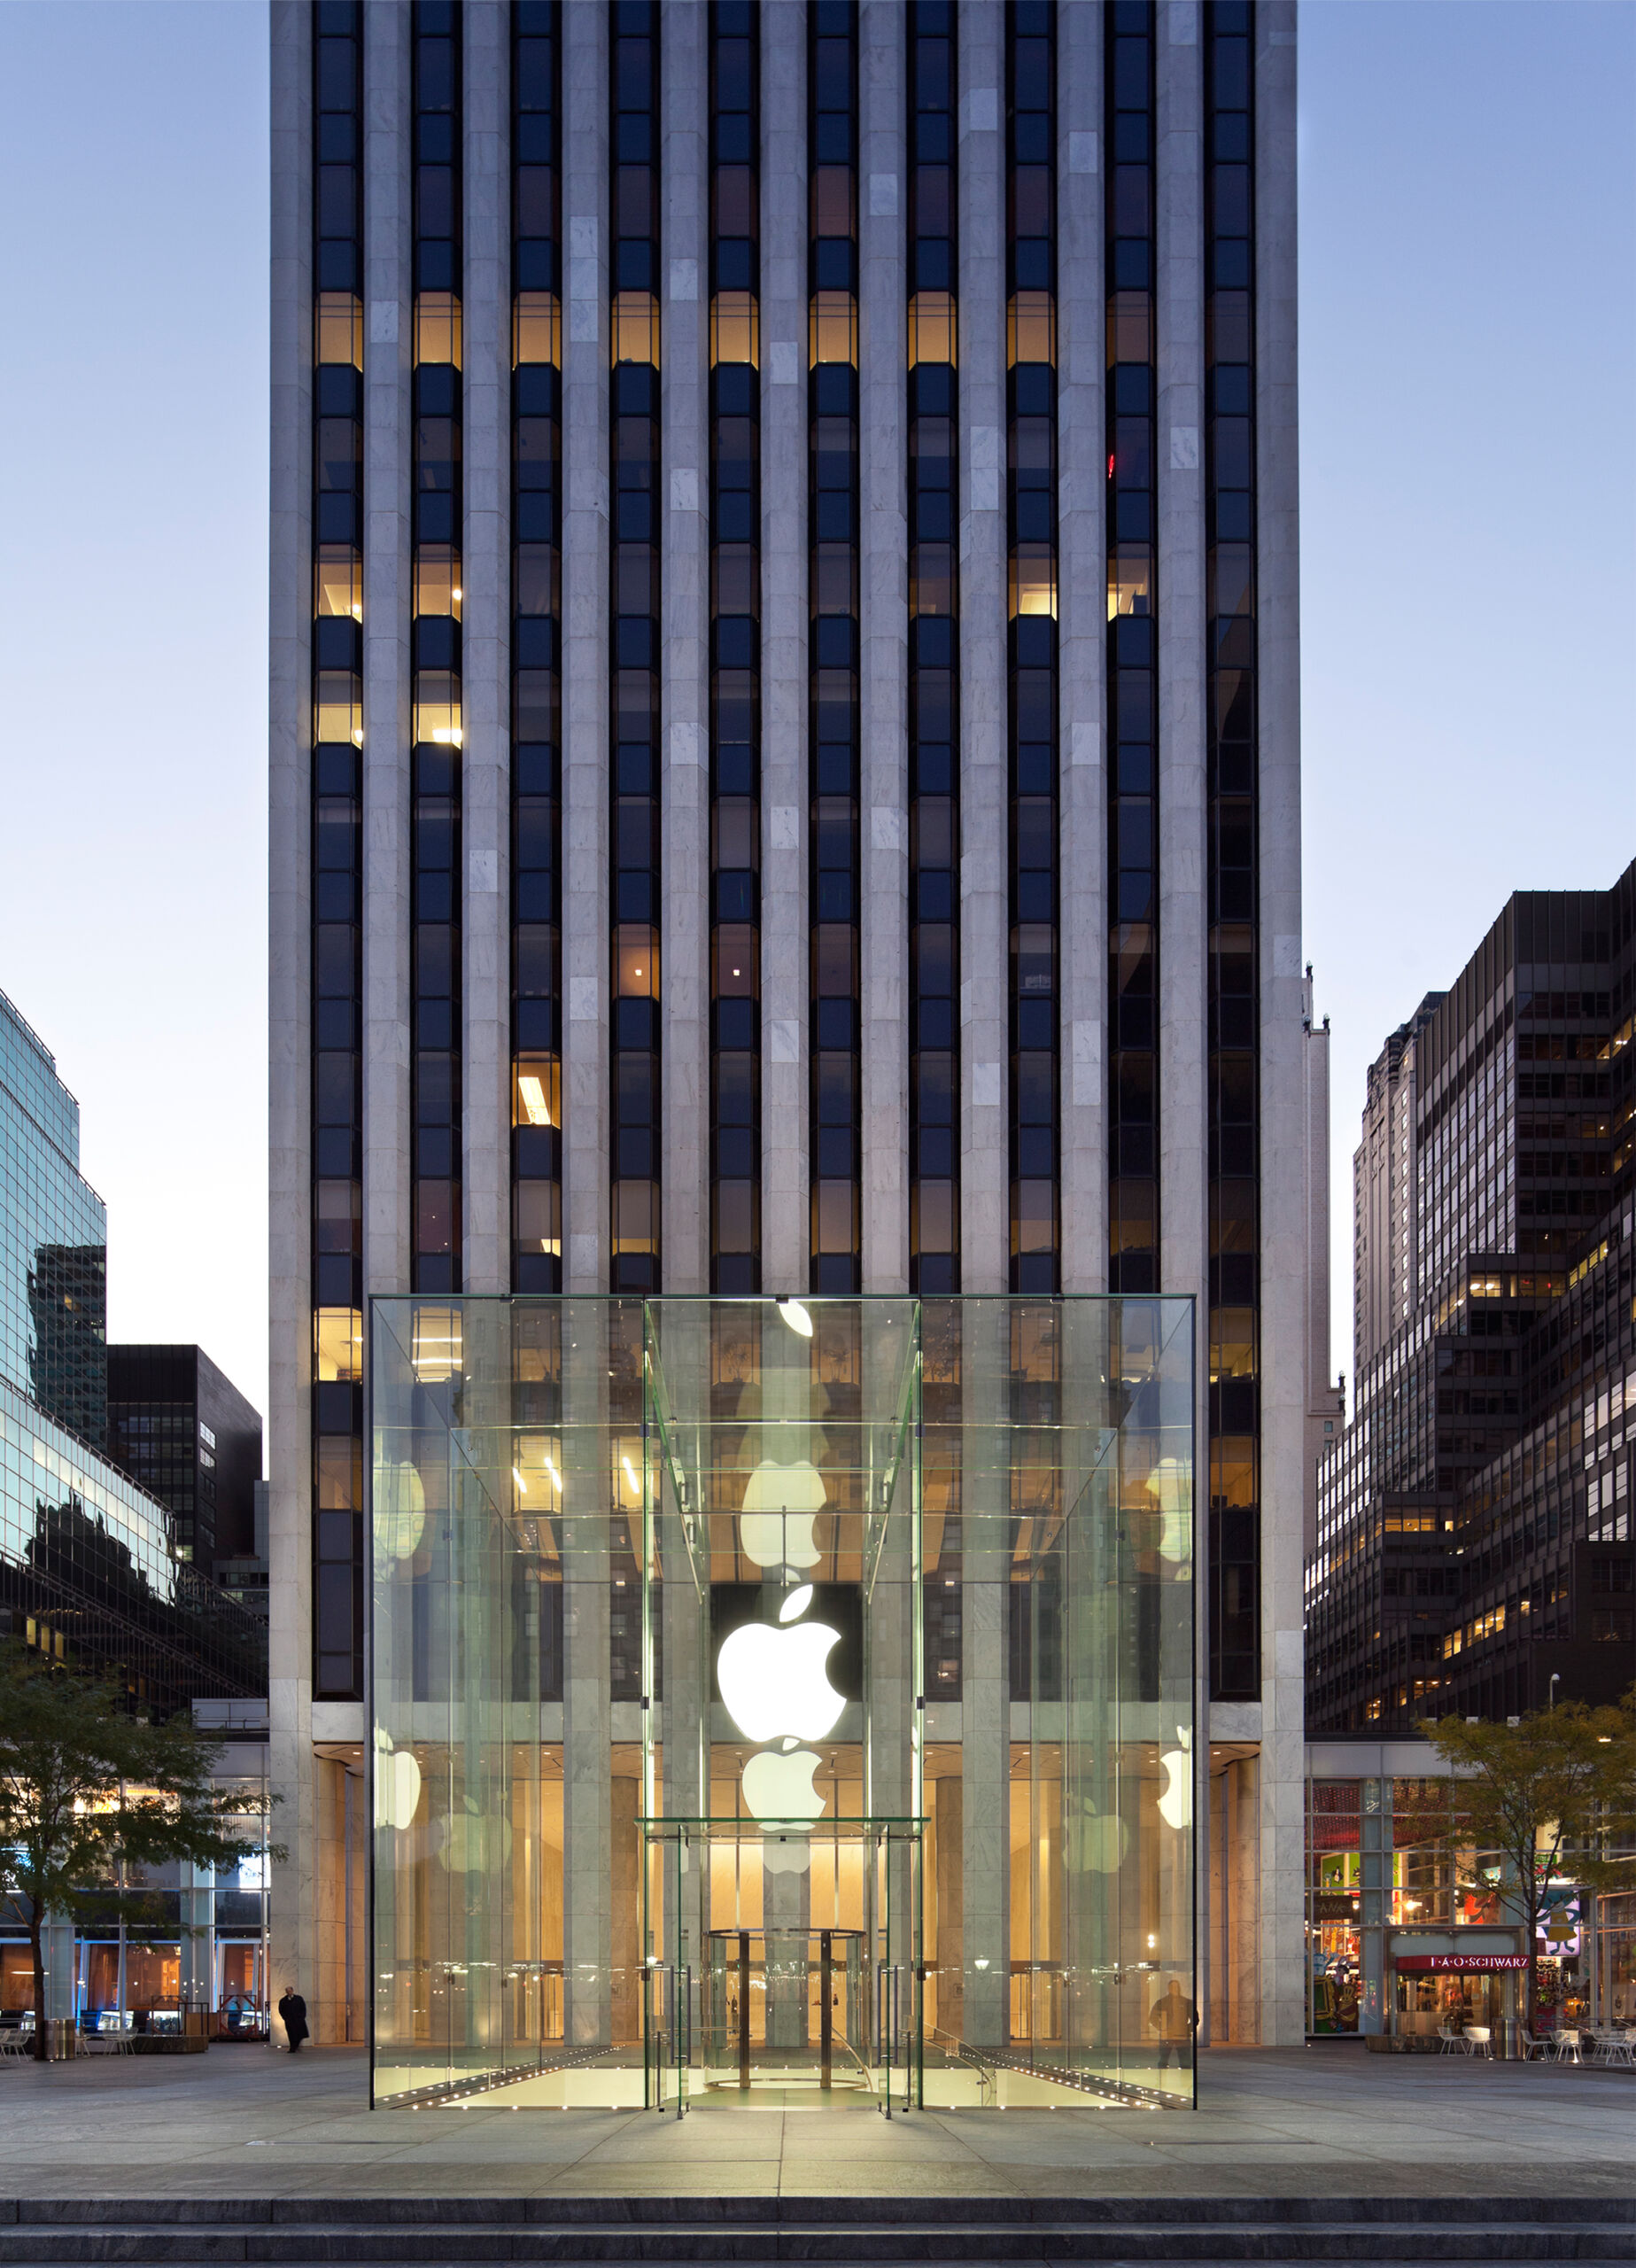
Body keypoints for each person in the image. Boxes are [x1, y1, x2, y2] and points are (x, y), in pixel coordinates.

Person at [1149, 1977, 1198, 2070]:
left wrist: (1187, 2029)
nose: (1174, 1989)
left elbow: (1195, 2019)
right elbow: (1153, 2017)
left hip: (1182, 2036)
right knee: (1163, 2059)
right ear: (1169, 1989)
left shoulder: (1187, 2002)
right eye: (1172, 1987)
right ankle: (1162, 2079)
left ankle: (1186, 2079)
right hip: (1167, 2035)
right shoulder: (1162, 2002)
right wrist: (1162, 2028)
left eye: (1176, 1987)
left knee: (1185, 2060)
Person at [277, 1984, 309, 2054]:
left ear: (292, 1991)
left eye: (290, 1991)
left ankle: (295, 2046)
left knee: (300, 2034)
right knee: (291, 2034)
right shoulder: (283, 2001)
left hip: (299, 2020)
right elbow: (281, 2010)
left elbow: (303, 2008)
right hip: (290, 2021)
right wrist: (285, 2018)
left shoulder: (299, 1999)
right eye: (287, 1991)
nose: (289, 1992)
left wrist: (302, 2017)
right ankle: (292, 2047)